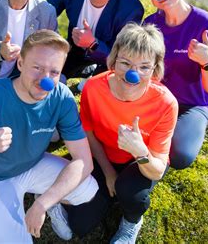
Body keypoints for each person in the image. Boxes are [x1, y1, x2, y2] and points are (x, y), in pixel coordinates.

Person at [0, 30, 99, 243]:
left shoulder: (61, 97)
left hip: (31, 166)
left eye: (54, 72)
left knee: (87, 190)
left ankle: (44, 199)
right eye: (37, 68)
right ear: (20, 64)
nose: (45, 80)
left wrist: (44, 202)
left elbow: (84, 162)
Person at [63, 23, 178, 243]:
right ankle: (107, 192)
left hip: (141, 162)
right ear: (114, 60)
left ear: (155, 68)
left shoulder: (165, 103)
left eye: (144, 67)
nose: (133, 74)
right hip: (104, 156)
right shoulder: (94, 87)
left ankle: (131, 222)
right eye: (125, 63)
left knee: (129, 192)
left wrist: (140, 151)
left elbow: (156, 170)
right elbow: (88, 131)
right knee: (79, 224)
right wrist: (107, 172)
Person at [142, 0, 208, 170]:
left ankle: (156, 162)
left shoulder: (205, 23)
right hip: (157, 100)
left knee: (180, 155)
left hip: (193, 105)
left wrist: (206, 62)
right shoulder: (150, 25)